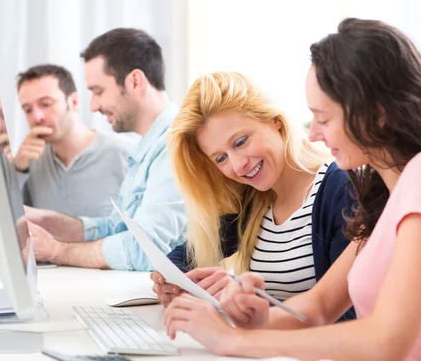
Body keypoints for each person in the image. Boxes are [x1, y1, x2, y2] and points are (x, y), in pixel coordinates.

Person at [162, 18, 421, 360]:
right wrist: (257, 319)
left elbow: (387, 340)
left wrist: (234, 341)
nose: (313, 134)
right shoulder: (384, 194)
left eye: (323, 118)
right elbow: (320, 305)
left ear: (375, 114)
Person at [151, 71, 355, 322]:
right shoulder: (254, 201)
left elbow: (349, 316)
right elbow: (186, 256)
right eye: (221, 158)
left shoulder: (341, 190)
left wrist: (245, 299)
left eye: (241, 142)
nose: (238, 166)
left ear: (274, 120)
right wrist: (173, 281)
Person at [23, 28, 187, 271]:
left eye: (98, 91)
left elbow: (144, 250)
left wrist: (57, 250)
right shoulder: (148, 148)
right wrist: (48, 221)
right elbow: (116, 228)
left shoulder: (175, 145)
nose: (94, 105)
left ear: (134, 81)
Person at [14, 64, 133, 218]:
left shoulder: (126, 155)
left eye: (46, 104)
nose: (37, 117)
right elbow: (9, 221)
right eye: (28, 110)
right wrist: (17, 171)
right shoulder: (30, 163)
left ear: (74, 102)